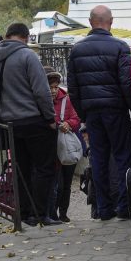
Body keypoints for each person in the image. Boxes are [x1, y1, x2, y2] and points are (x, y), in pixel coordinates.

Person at [0, 23, 60, 226]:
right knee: (44, 168)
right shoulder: (28, 56)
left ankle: (24, 214)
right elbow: (41, 92)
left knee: (20, 169)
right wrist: (51, 118)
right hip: (34, 121)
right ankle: (41, 213)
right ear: (25, 37)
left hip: (9, 124)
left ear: (7, 36)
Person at [67, 5, 131, 221]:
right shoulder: (120, 47)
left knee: (99, 159)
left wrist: (83, 114)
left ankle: (103, 208)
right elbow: (127, 83)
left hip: (92, 112)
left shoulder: (77, 50)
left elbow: (73, 88)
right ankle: (124, 207)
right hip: (115, 110)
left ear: (90, 22)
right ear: (111, 22)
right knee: (123, 157)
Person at [45, 66, 81, 223]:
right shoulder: (41, 100)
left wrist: (68, 123)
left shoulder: (66, 98)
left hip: (66, 146)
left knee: (66, 183)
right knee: (56, 185)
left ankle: (63, 213)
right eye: (50, 87)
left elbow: (76, 118)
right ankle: (52, 213)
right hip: (52, 148)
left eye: (55, 87)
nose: (53, 90)